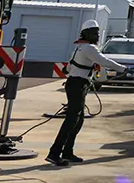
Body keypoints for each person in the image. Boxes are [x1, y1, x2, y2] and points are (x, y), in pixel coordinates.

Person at [47, 19, 125, 167]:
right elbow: (104, 60)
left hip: (76, 83)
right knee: (72, 120)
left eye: (97, 32)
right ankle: (54, 153)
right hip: (78, 84)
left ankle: (67, 152)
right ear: (87, 34)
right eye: (94, 33)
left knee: (78, 119)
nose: (97, 36)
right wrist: (123, 68)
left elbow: (68, 68)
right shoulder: (89, 48)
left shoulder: (79, 48)